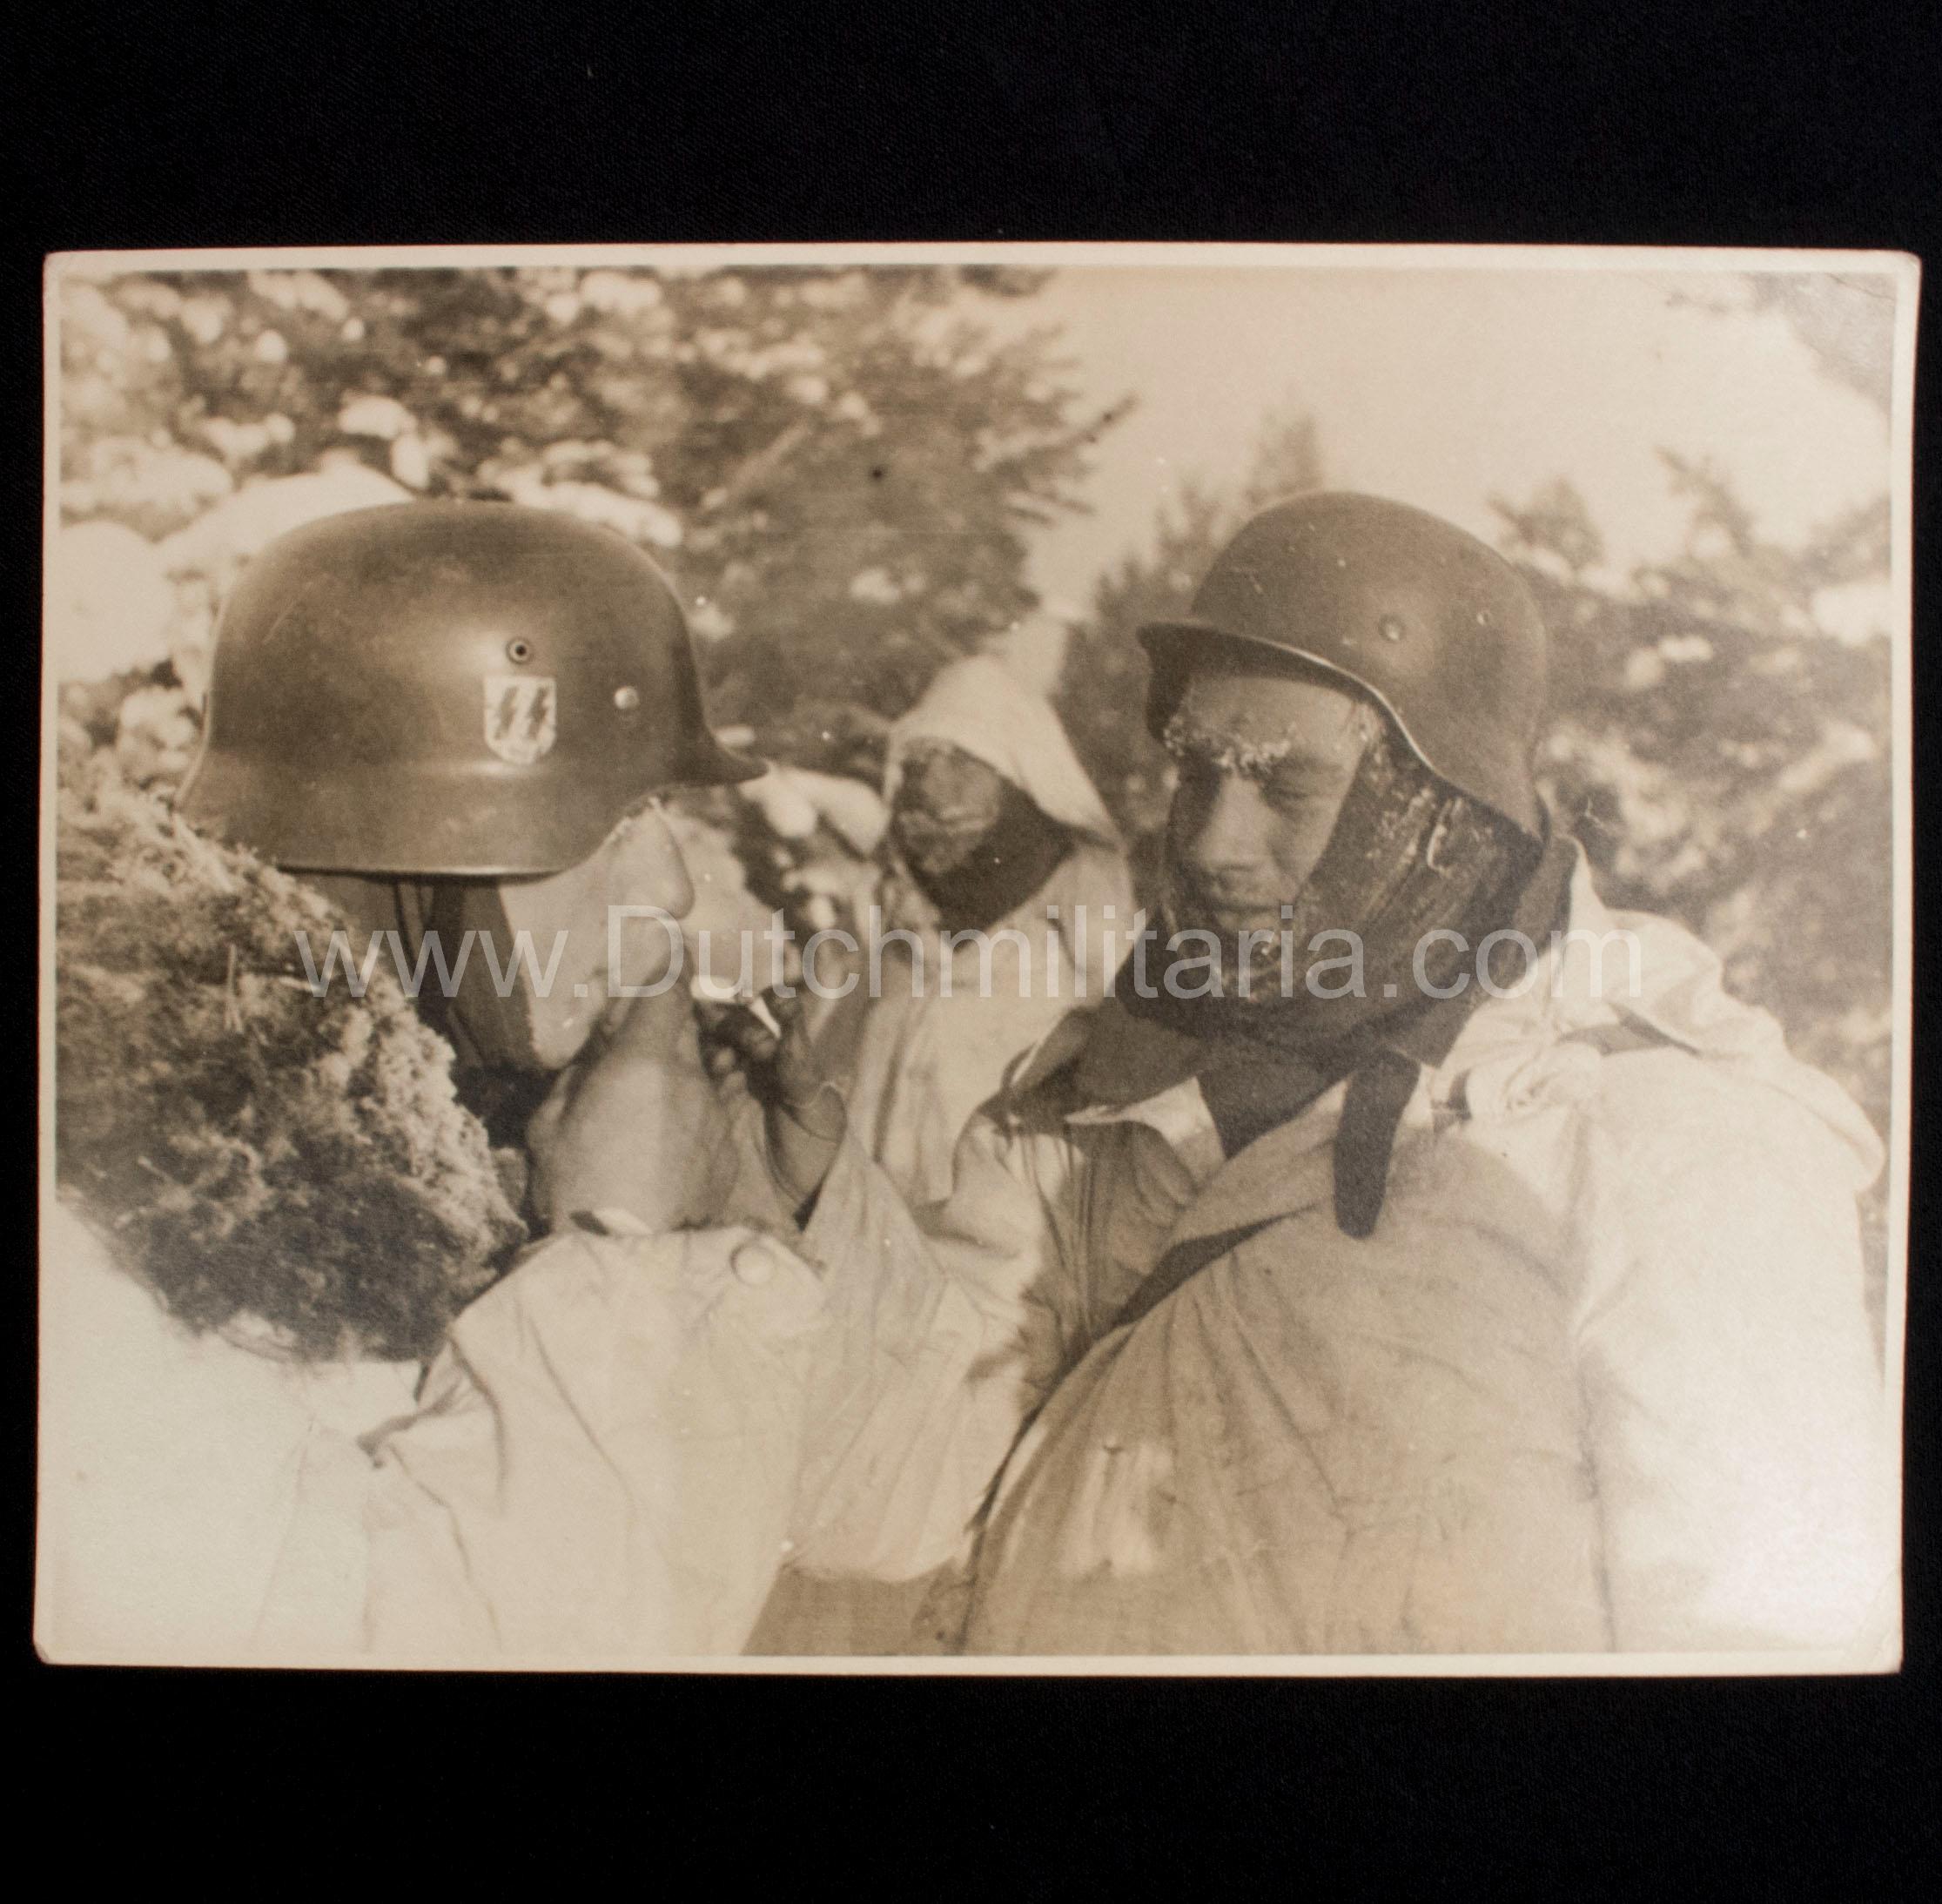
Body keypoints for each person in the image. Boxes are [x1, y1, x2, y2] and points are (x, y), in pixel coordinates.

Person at [669, 491, 1892, 1657]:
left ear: (1445, 808)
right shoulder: (1120, 1082)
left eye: (1286, 784)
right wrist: (815, 1208)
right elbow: (892, 1495)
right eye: (1196, 768)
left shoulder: (1661, 1143)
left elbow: (1761, 1647)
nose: (1209, 842)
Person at [41, 500, 817, 1664]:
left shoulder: (455, 1130)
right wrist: (615, 1262)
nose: (669, 883)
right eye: (611, 813)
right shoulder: (129, 1234)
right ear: (405, 834)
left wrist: (751, 1211)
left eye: (658, 809)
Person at [810, 652, 1134, 1208]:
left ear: (1016, 780)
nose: (931, 784)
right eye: (917, 763)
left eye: (960, 762)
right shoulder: (879, 923)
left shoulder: (1084, 934)